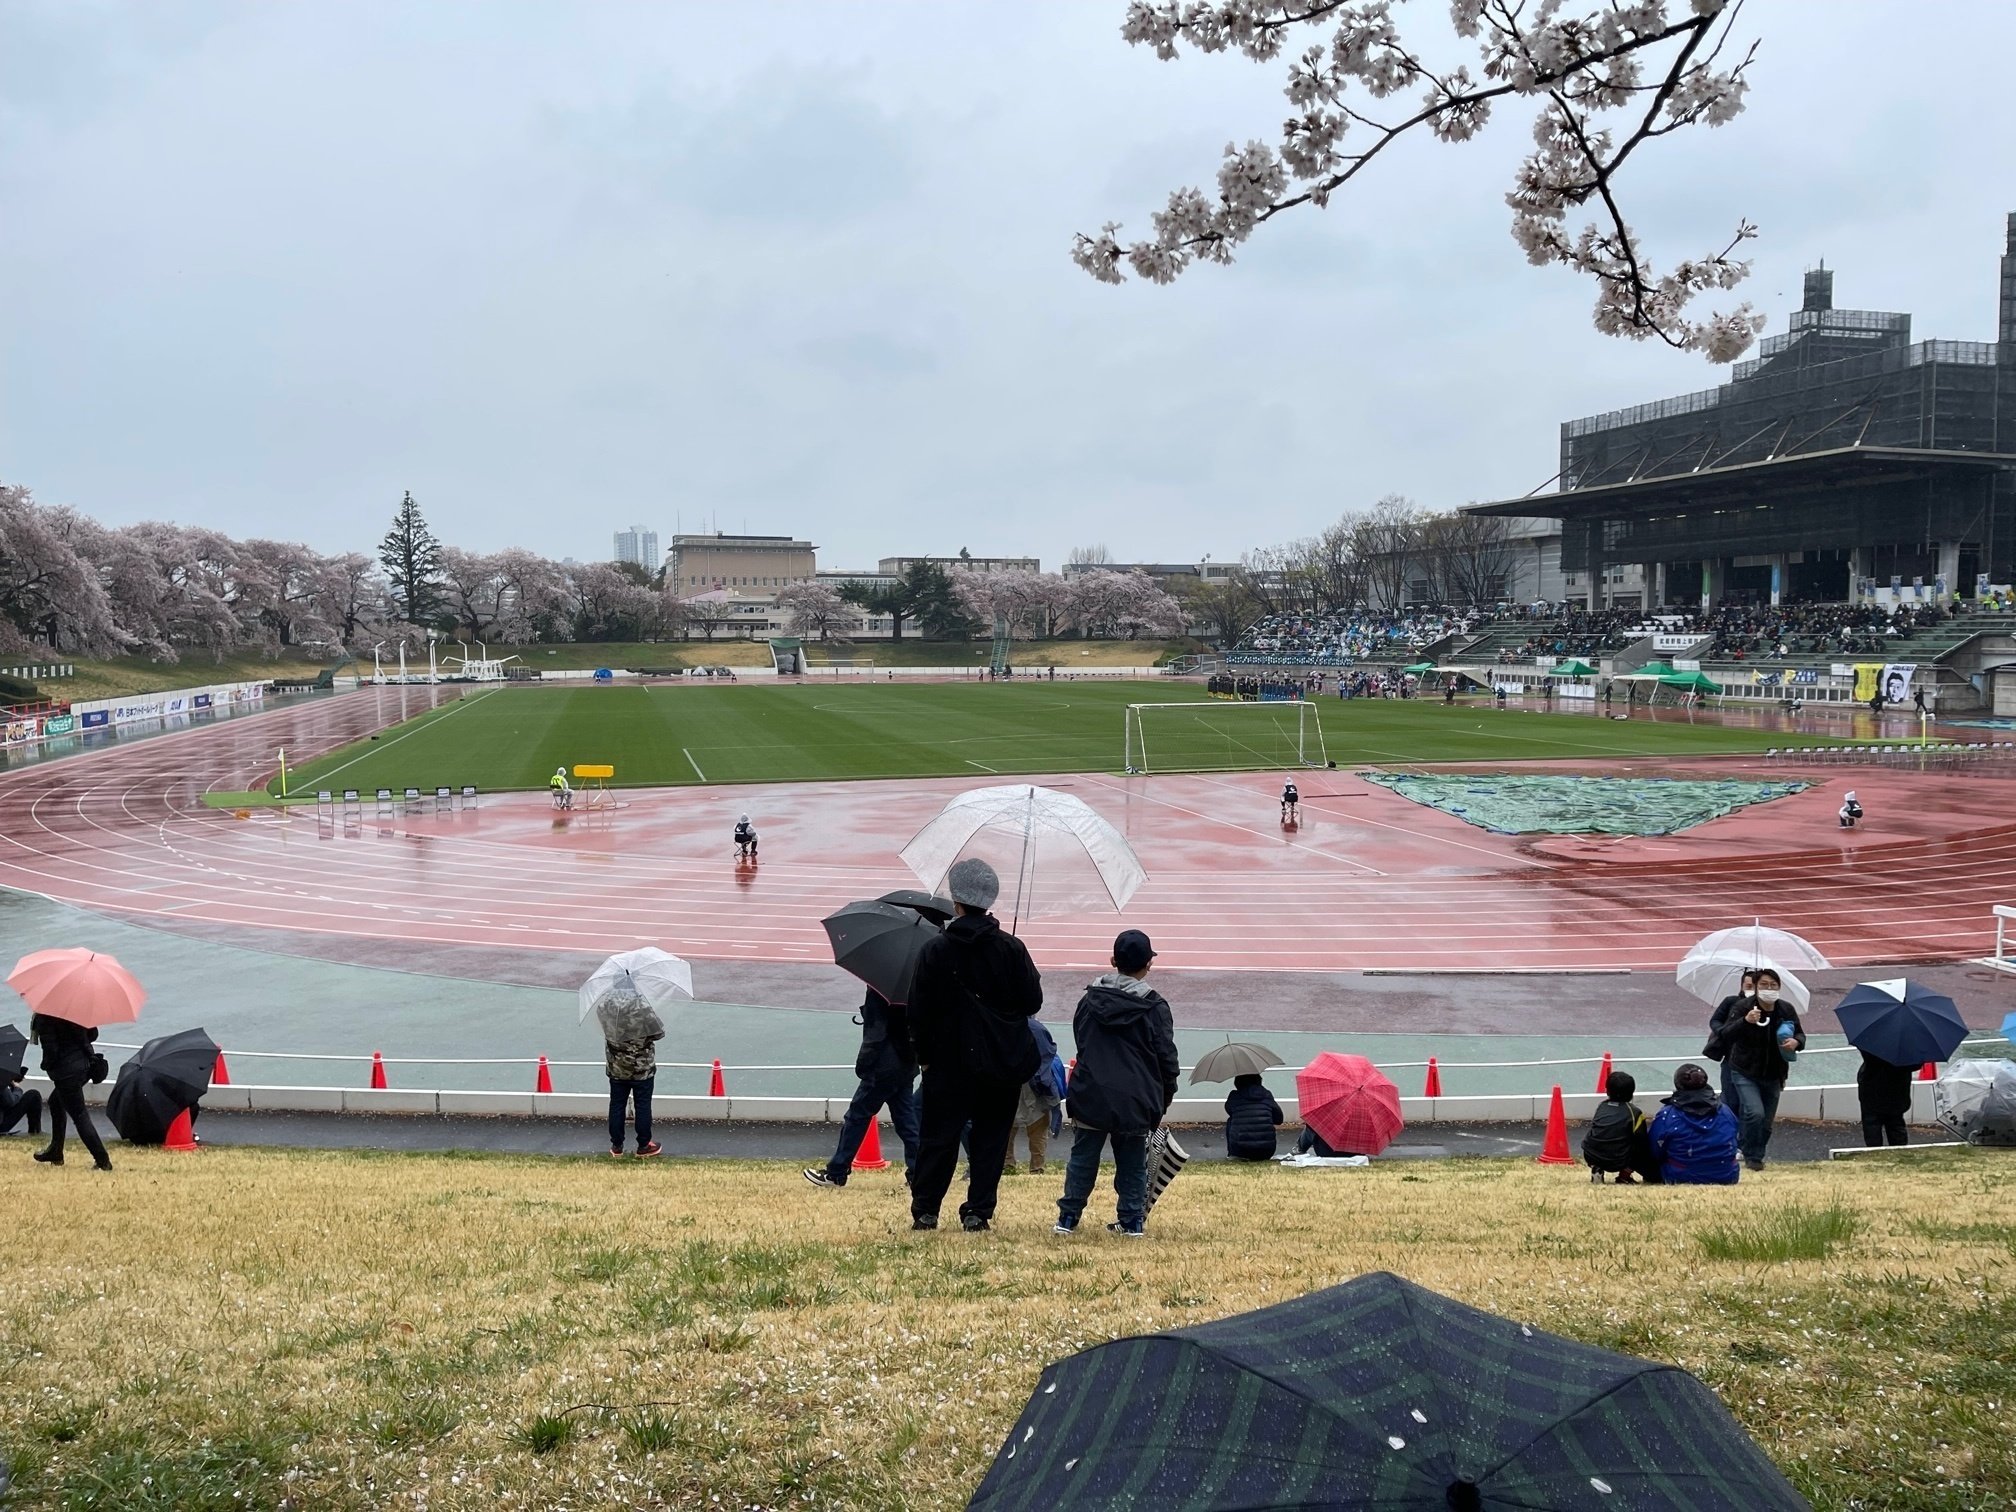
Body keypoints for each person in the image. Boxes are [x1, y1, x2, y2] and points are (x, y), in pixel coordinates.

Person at [908, 858, 1044, 1232]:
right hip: (1000, 1060)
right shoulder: (1011, 948)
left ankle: (925, 1209)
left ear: (956, 901)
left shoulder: (935, 950)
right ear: (990, 900)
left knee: (939, 1136)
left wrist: (924, 1058)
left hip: (946, 1061)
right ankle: (978, 1211)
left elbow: (918, 1009)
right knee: (990, 1138)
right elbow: (1032, 1002)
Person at [1054, 930, 1180, 1237]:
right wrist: (1163, 1096)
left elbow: (1081, 1041)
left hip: (1091, 1092)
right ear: (1148, 964)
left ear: (1113, 961)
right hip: (1135, 1097)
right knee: (1133, 1162)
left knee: (1083, 1158)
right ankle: (1131, 1220)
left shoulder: (1089, 1000)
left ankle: (1068, 1219)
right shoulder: (1154, 1006)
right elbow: (1166, 1057)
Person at [805, 984, 921, 1188]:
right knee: (906, 1121)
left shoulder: (881, 988)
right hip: (906, 1062)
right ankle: (920, 1173)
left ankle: (837, 1172)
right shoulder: (914, 984)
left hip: (883, 1066)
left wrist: (864, 1064)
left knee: (857, 1117)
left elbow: (877, 1034)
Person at [1705, 967, 1805, 1172]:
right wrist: (1746, 1021)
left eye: (1773, 985)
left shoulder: (1786, 1009)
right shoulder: (1742, 1007)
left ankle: (1757, 1152)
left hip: (1774, 1073)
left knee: (1766, 1122)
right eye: (1764, 985)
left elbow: (1800, 1034)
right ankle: (1751, 1155)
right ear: (1756, 988)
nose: (1769, 989)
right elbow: (1726, 1033)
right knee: (1754, 1113)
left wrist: (1796, 1042)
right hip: (1744, 1071)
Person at [28, 1013, 111, 1170]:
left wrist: (46, 1066)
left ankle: (103, 1161)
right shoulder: (73, 1010)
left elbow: (51, 1051)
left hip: (67, 1073)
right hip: (85, 1066)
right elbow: (93, 1034)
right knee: (55, 1102)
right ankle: (56, 1150)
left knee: (80, 1116)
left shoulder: (44, 1016)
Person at [595, 972, 664, 1158]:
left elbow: (606, 1029)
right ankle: (644, 1145)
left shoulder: (604, 1005)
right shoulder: (641, 1005)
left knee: (616, 1104)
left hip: (616, 1065)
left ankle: (616, 1146)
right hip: (642, 1066)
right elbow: (658, 1032)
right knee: (642, 1105)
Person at [1647, 1063, 1740, 1184]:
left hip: (1680, 1175)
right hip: (1726, 1175)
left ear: (1678, 1084)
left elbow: (1654, 1149)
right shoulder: (1725, 1112)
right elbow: (1735, 1137)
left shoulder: (1667, 1115)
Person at [1582, 1071, 1658, 1184]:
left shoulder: (1602, 1106)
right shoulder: (1634, 1112)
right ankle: (1624, 1176)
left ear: (1607, 1090)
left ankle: (1597, 1168)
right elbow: (1642, 1141)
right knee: (1640, 1146)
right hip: (1618, 1159)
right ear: (1631, 1093)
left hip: (1590, 1155)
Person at [1011, 1018, 1066, 1174]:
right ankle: (1037, 1167)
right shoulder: (1038, 1029)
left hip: (1009, 1081)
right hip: (1037, 1084)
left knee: (1006, 1126)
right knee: (1038, 1128)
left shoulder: (1001, 1022)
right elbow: (1048, 1053)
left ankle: (1006, 1164)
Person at [1702, 968, 1758, 1109]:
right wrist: (1723, 1032)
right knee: (1730, 1097)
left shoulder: (1768, 1008)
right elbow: (1715, 1021)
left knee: (1750, 1103)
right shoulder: (1731, 1002)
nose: (1752, 990)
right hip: (1731, 1058)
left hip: (1755, 1060)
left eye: (1756, 987)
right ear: (1742, 986)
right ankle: (1730, 1127)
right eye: (1749, 986)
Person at [1855, 1048, 1914, 1148]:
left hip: (1872, 1091)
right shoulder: (1907, 1046)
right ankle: (1899, 1153)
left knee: (1872, 1127)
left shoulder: (1874, 1043)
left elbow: (1865, 1051)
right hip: (1897, 1091)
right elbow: (1915, 1064)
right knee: (1896, 1126)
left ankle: (1874, 1154)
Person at [1223, 1072, 1284, 1161]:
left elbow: (1229, 1110)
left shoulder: (1234, 1095)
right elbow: (1279, 1119)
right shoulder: (1266, 1095)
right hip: (1266, 1151)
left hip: (1240, 1150)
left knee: (1231, 1120)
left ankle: (1231, 1154)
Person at [1, 1064, 44, 1138]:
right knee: (33, 1095)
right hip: (1, 1125)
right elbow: (11, 1101)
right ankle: (35, 1131)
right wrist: (16, 1088)